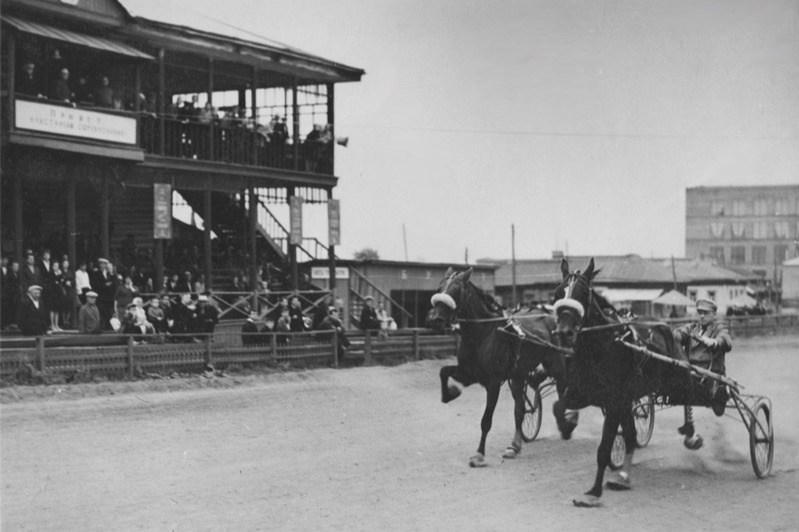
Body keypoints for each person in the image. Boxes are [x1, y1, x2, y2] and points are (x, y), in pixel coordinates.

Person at [673, 298, 732, 416]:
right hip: (691, 373)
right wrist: (677, 336)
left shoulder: (718, 329)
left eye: (706, 313)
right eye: (699, 312)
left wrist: (714, 342)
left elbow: (726, 341)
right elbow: (679, 333)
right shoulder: (691, 328)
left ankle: (721, 394)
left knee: (713, 392)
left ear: (714, 315)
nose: (702, 316)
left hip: (711, 374)